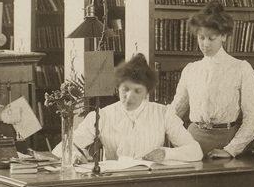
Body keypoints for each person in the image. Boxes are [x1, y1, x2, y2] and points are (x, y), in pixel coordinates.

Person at [54, 53, 203, 162]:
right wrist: (75, 156)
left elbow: (195, 151)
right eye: (125, 89)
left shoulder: (163, 113)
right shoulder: (102, 116)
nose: (129, 96)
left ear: (147, 93)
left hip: (151, 182)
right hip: (114, 183)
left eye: (137, 91)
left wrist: (166, 154)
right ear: (117, 87)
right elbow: (62, 148)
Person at [168, 2, 254, 159]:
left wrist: (230, 150)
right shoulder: (191, 69)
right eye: (201, 37)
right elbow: (175, 112)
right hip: (191, 143)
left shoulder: (241, 68)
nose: (205, 44)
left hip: (226, 142)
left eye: (211, 38)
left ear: (223, 36)